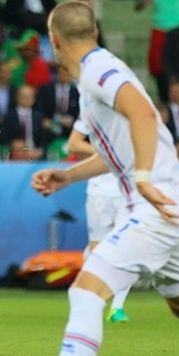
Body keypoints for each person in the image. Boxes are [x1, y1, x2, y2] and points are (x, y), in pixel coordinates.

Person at [4, 1, 179, 356]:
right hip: (163, 205)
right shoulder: (96, 73)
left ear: (53, 40)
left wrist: (147, 179)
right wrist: (68, 176)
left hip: (154, 207)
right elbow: (120, 150)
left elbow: (141, 111)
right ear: (94, 31)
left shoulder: (98, 71)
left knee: (85, 290)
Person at [67, 123, 131, 323]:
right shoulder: (90, 109)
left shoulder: (134, 111)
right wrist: (104, 152)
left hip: (128, 191)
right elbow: (73, 145)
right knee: (96, 249)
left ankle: (117, 307)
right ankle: (88, 300)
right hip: (99, 191)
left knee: (127, 246)